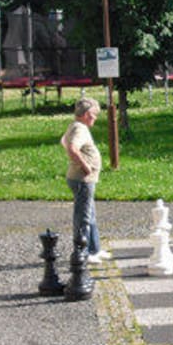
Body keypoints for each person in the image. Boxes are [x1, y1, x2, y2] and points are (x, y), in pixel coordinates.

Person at [62, 97, 109, 264]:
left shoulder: (75, 126)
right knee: (83, 216)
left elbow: (63, 141)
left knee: (90, 213)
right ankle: (83, 252)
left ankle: (95, 248)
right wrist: (86, 166)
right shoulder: (80, 129)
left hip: (82, 178)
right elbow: (71, 148)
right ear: (87, 114)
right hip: (82, 179)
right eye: (95, 115)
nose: (95, 119)